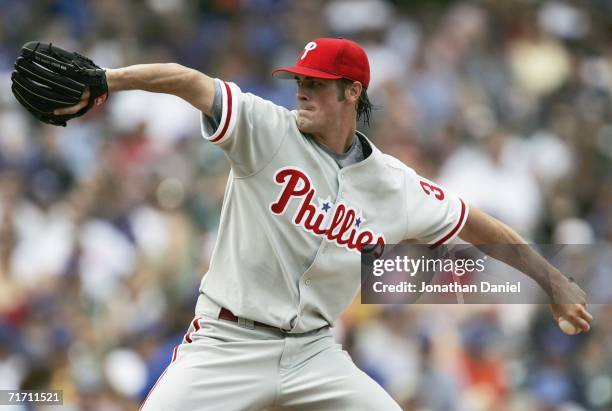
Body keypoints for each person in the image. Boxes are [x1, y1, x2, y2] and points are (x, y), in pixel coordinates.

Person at [55, 38, 592, 410]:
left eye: (315, 82)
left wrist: (555, 281)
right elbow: (189, 81)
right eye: (298, 80)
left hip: (314, 351)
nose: (301, 90)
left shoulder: (394, 185)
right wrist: (107, 80)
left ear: (351, 92)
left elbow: (480, 226)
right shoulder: (266, 130)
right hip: (228, 341)